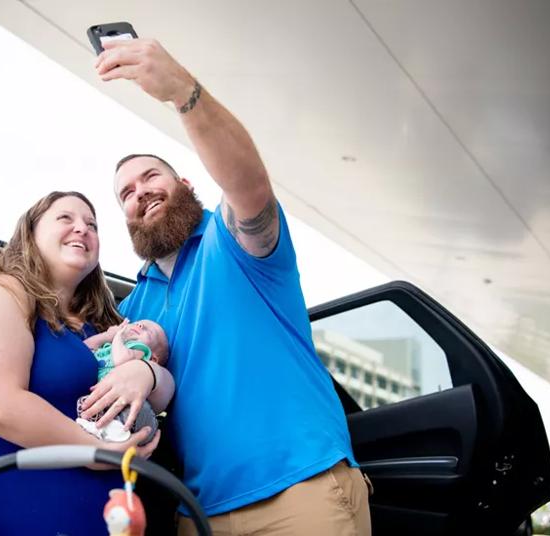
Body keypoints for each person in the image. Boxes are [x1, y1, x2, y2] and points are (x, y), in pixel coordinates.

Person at [81, 38, 371, 535]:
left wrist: (182, 93)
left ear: (187, 186)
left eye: (151, 177)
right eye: (125, 193)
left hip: (299, 493)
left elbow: (249, 185)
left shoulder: (233, 243)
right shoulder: (135, 306)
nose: (140, 192)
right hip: (198, 514)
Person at [0, 191, 174, 535]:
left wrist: (147, 373)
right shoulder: (1, 291)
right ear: (30, 233)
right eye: (66, 218)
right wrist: (99, 451)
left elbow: (163, 396)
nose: (82, 229)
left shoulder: (104, 328)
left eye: (92, 225)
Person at [76, 319, 169, 443]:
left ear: (153, 359)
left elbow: (121, 360)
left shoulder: (140, 349)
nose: (140, 325)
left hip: (129, 407)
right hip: (104, 401)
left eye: (148, 331)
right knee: (87, 404)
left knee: (131, 410)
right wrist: (107, 336)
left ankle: (114, 433)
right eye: (137, 323)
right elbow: (83, 349)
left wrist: (118, 336)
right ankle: (99, 431)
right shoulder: (109, 347)